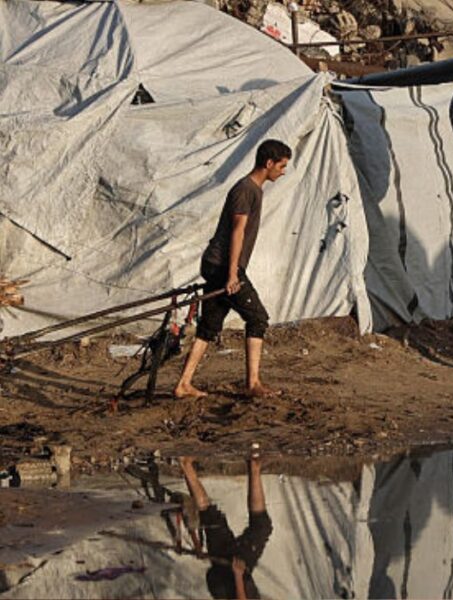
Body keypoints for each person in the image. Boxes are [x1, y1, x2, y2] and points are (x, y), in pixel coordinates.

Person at [174, 140, 292, 400]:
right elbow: (237, 231)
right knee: (258, 318)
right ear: (268, 163)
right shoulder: (245, 190)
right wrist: (232, 274)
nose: (283, 171)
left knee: (209, 326)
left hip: (219, 264)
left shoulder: (254, 190)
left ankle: (183, 384)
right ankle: (252, 383)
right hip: (222, 265)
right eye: (282, 166)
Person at [179, 447, 273, 600]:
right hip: (233, 577)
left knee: (213, 519)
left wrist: (238, 575)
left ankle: (185, 464)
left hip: (227, 581)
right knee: (261, 526)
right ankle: (254, 466)